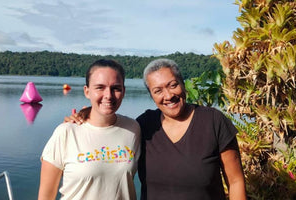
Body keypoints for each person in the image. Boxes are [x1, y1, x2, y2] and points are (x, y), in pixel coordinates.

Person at [65, 58, 247, 200]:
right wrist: (86, 115)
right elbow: (109, 130)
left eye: (173, 85)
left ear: (183, 84)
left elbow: (236, 181)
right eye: (158, 90)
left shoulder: (213, 121)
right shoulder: (144, 125)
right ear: (151, 95)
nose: (168, 95)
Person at [38, 59, 141, 200]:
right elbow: (46, 196)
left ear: (123, 91)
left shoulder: (133, 129)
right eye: (100, 87)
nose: (108, 95)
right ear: (87, 91)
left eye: (116, 88)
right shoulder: (66, 132)